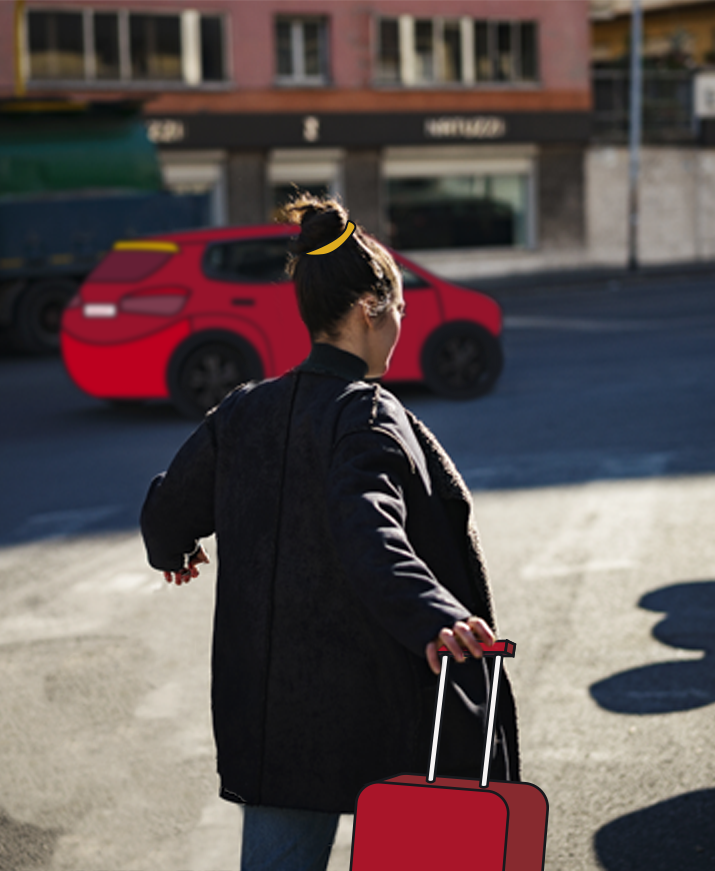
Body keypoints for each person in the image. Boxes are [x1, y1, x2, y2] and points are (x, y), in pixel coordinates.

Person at [140, 195, 519, 871]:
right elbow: (368, 531)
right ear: (372, 306)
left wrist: (175, 550)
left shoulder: (244, 410)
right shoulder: (368, 415)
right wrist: (434, 614)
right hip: (374, 704)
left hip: (272, 713)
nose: (402, 318)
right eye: (398, 303)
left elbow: (169, 512)